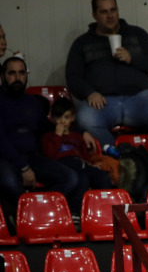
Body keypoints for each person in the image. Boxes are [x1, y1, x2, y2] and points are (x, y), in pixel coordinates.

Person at [66, 0, 148, 148]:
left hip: (138, 98)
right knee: (85, 118)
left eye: (113, 10)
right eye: (104, 12)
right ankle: (118, 156)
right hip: (103, 102)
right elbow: (72, 77)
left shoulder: (137, 34)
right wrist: (89, 92)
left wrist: (132, 58)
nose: (110, 16)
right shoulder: (82, 43)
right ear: (94, 15)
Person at [0, 57, 91, 217]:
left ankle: (33, 212)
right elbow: (2, 141)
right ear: (3, 76)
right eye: (12, 73)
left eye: (21, 73)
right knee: (9, 182)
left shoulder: (33, 103)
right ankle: (28, 215)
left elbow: (49, 127)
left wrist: (81, 132)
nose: (17, 78)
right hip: (6, 157)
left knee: (70, 178)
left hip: (33, 157)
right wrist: (24, 168)